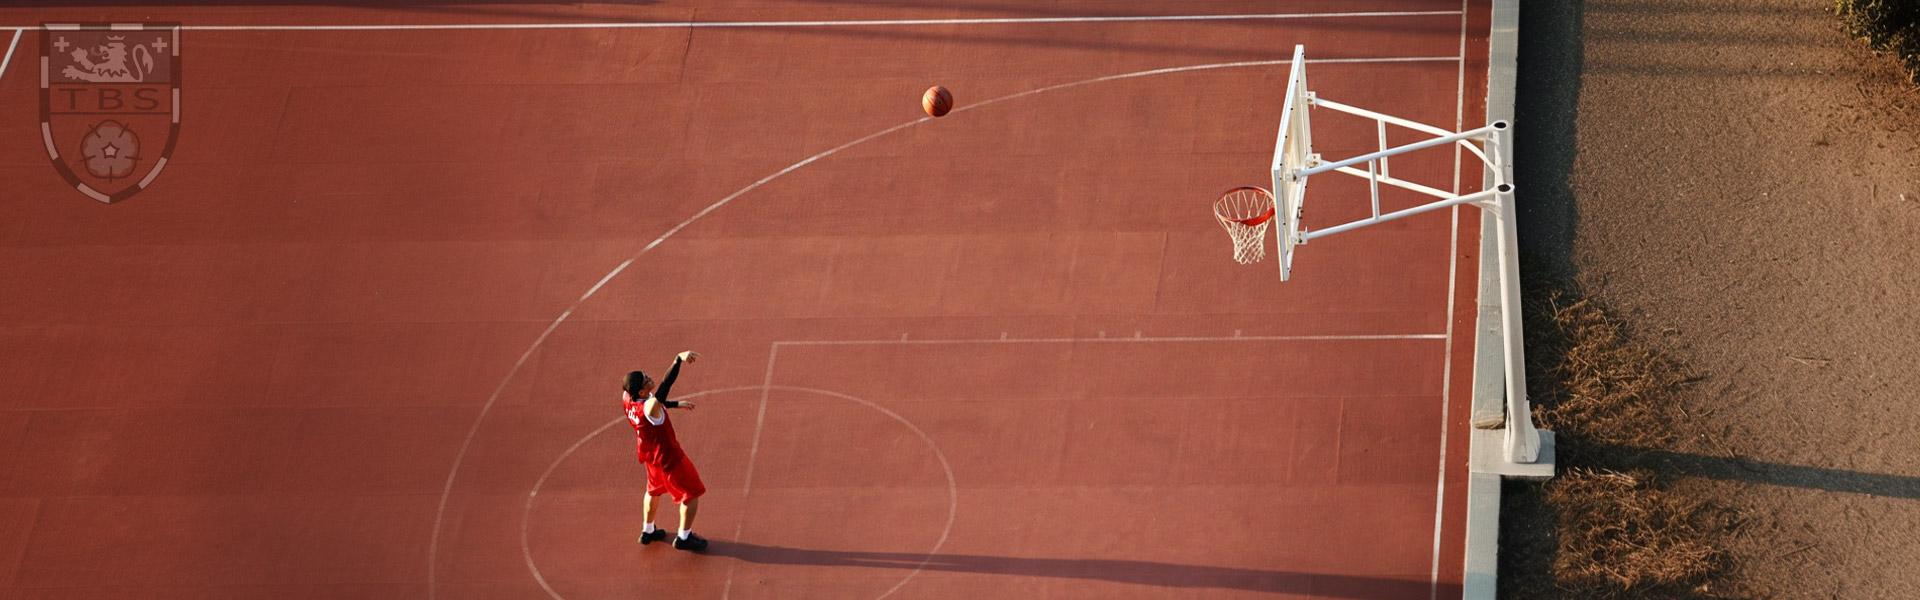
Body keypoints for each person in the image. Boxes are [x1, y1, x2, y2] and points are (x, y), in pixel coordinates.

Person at [621, 350, 708, 552]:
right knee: (691, 494)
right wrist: (678, 360)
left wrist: (675, 405)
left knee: (653, 491)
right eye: (646, 380)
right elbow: (663, 389)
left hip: (651, 458)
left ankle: (648, 530)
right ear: (641, 392)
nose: (649, 377)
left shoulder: (627, 397)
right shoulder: (649, 408)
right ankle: (684, 537)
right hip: (669, 458)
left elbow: (655, 404)